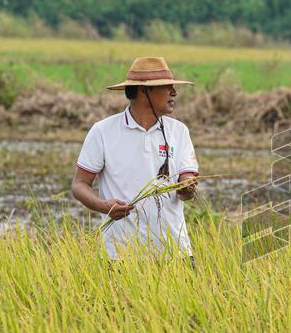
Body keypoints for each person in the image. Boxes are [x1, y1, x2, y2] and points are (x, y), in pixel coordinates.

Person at [71, 57, 200, 261]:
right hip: (120, 255)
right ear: (143, 91)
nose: (174, 93)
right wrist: (103, 206)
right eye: (166, 87)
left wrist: (188, 187)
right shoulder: (103, 131)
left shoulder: (179, 131)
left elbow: (187, 181)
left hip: (175, 253)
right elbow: (79, 185)